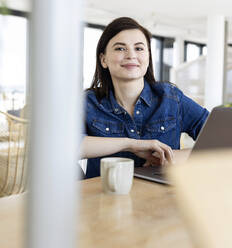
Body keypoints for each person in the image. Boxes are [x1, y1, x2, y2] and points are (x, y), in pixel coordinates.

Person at [81, 17, 209, 179]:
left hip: (162, 199)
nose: (131, 55)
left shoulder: (170, 97)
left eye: (139, 48)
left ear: (148, 57)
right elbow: (67, 146)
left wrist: (174, 156)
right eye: (120, 48)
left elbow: (222, 141)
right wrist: (131, 145)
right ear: (103, 60)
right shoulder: (89, 102)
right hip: (103, 200)